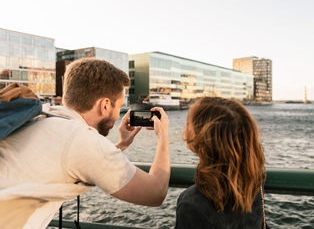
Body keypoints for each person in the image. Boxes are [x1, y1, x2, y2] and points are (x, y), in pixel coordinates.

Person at [0, 58, 170, 228]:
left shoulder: (39, 115)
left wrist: (121, 145)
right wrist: (163, 137)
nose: (118, 115)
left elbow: (72, 158)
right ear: (104, 105)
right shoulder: (81, 140)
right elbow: (155, 193)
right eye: (119, 106)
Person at [175, 97, 267, 229]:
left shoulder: (191, 203)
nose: (185, 128)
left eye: (189, 123)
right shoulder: (256, 178)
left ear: (204, 138)